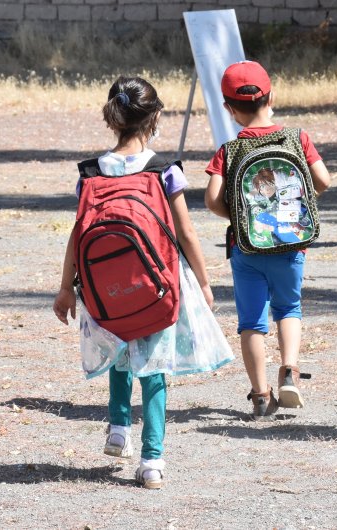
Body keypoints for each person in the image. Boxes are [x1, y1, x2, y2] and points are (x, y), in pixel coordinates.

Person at [52, 76, 234, 489]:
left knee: (119, 350)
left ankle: (118, 427)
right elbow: (186, 233)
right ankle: (152, 460)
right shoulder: (163, 171)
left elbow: (79, 232)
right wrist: (203, 283)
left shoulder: (91, 172)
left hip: (104, 290)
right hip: (156, 287)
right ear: (153, 118)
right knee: (154, 371)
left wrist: (66, 287)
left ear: (112, 118)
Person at [204, 61, 331, 421]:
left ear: (229, 109)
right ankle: (289, 370)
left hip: (246, 248)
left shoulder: (228, 151)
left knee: (251, 323)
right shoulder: (297, 138)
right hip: (291, 243)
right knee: (289, 308)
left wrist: (243, 217)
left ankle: (260, 396)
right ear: (271, 95)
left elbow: (212, 200)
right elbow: (323, 181)